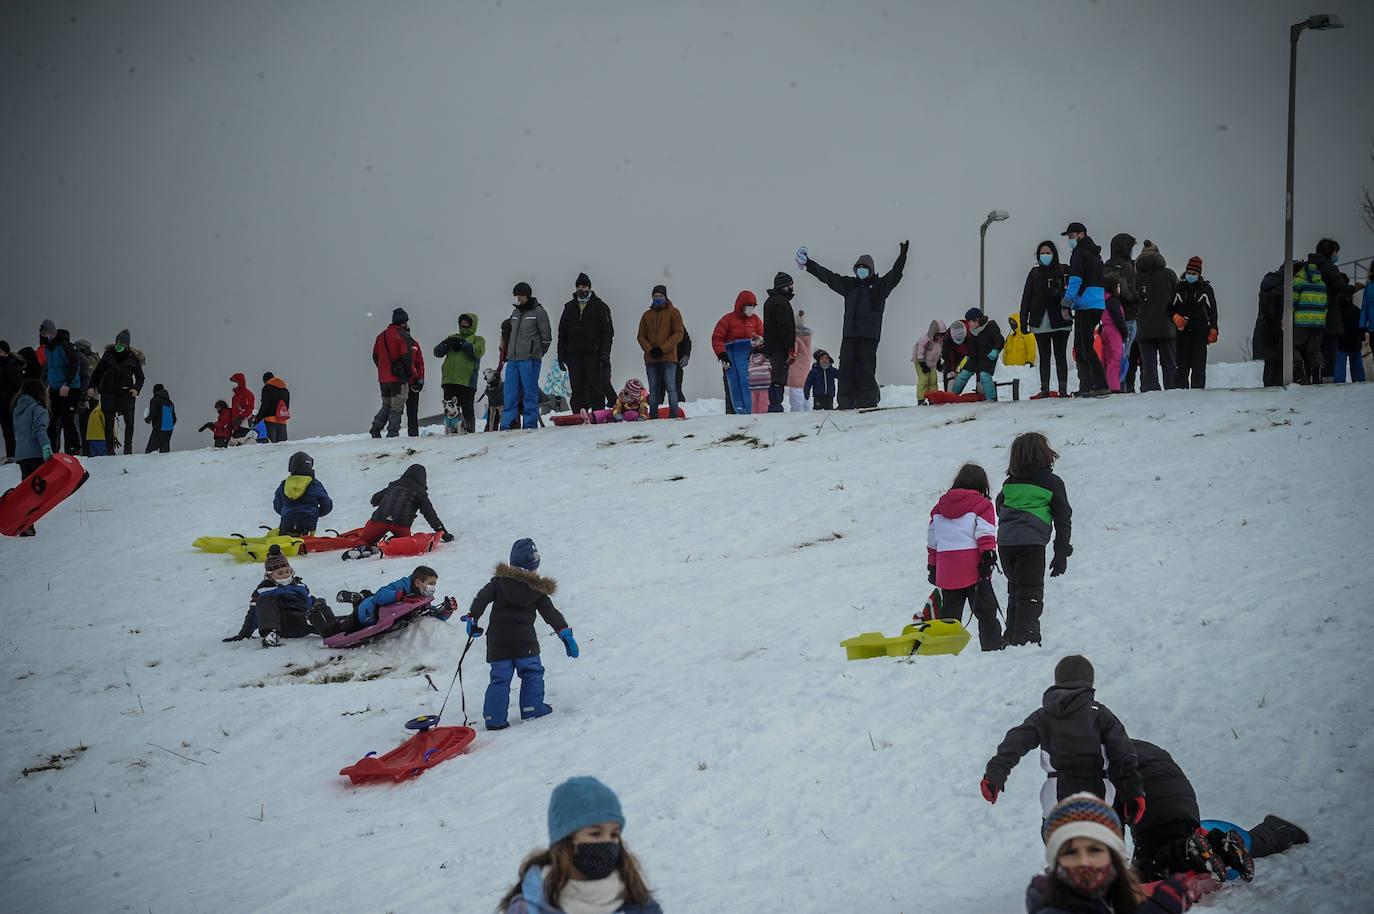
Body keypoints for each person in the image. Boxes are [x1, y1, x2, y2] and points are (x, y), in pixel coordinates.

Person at [1112, 738, 1301, 884]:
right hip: (1177, 791)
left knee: (1147, 872)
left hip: (1150, 799)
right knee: (1191, 844)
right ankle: (1224, 844)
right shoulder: (1110, 741)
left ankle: (1189, 850)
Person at [981, 655, 1145, 818]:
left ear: (1057, 683)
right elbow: (1123, 753)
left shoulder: (1043, 716)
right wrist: (1133, 792)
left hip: (1056, 798)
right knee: (1098, 840)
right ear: (1091, 683)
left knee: (1058, 839)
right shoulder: (1100, 715)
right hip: (1099, 799)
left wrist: (995, 775)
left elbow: (1015, 742)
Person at [498, 776, 662, 914]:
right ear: (566, 840)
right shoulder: (531, 905)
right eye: (595, 833)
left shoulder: (636, 900)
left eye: (614, 834)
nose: (607, 842)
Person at [463, 538, 577, 731]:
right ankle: (532, 707)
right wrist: (564, 632)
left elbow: (481, 598)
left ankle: (493, 717)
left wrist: (472, 617)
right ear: (533, 567)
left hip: (498, 642)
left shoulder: (498, 583)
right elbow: (551, 613)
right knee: (532, 673)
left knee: (499, 679)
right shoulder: (537, 590)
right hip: (526, 642)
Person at [1026, 792, 1197, 914]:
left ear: (1113, 857)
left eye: (1095, 849)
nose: (1084, 861)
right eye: (1071, 852)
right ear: (1056, 862)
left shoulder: (1117, 900)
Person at [797, 240, 909, 408]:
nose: (861, 271)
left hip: (869, 337)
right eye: (859, 268)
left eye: (865, 268)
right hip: (849, 335)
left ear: (870, 270)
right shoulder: (850, 285)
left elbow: (895, 275)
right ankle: (846, 402)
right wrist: (809, 264)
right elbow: (829, 277)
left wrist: (902, 257)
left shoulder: (879, 287)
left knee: (866, 369)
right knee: (846, 369)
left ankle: (867, 401)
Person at [996, 432, 1072, 647]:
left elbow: (999, 507)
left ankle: (1011, 635)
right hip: (1031, 543)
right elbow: (1063, 518)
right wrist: (1061, 552)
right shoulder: (1052, 483)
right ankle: (1026, 637)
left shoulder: (1009, 483)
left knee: (1016, 588)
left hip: (1006, 543)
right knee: (1030, 592)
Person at [927, 462, 1003, 651]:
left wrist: (933, 566)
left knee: (950, 613)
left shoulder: (939, 508)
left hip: (947, 569)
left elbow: (933, 540)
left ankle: (946, 649)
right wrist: (988, 554)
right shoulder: (982, 505)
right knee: (986, 611)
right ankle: (992, 647)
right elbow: (985, 532)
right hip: (973, 567)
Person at [222, 545, 335, 646]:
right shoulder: (263, 590)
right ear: (270, 576)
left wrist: (318, 605)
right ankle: (272, 635)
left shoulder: (299, 585)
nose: (285, 575)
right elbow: (254, 614)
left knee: (319, 603)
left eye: (287, 571)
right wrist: (244, 634)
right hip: (281, 624)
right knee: (266, 600)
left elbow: (309, 602)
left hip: (302, 620)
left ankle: (335, 630)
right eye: (280, 573)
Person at [1020, 241, 1074, 398]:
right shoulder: (1034, 273)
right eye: (1042, 253)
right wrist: (1024, 319)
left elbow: (1073, 291)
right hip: (1040, 321)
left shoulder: (1064, 270)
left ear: (1054, 253)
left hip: (1061, 320)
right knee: (1044, 355)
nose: (1045, 256)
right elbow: (1026, 297)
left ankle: (1062, 389)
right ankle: (1044, 389)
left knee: (1060, 355)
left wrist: (1059, 293)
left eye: (1048, 252)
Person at [1060, 222, 1108, 397]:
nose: (1070, 240)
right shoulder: (1096, 255)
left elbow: (1076, 280)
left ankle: (1098, 385)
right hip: (1096, 303)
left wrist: (1066, 300)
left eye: (1071, 236)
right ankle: (1088, 386)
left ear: (1081, 234)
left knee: (1084, 348)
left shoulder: (1079, 253)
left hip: (1085, 304)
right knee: (1082, 347)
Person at [558, 272, 615, 415]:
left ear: (589, 288)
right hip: (574, 355)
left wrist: (604, 355)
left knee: (595, 387)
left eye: (583, 286)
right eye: (578, 287)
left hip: (593, 354)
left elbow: (607, 333)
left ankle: (597, 414)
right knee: (577, 388)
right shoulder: (569, 307)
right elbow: (562, 333)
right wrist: (561, 355)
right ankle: (578, 415)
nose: (580, 289)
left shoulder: (600, 306)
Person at [358, 463, 452, 546]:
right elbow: (430, 515)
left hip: (379, 521)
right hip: (401, 525)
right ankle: (394, 541)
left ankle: (362, 546)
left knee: (364, 540)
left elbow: (374, 499)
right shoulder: (420, 492)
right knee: (405, 542)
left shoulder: (393, 486)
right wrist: (442, 532)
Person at [503, 283, 553, 431]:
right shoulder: (515, 313)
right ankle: (508, 425)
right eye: (516, 295)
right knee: (510, 393)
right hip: (513, 360)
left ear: (527, 295)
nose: (517, 298)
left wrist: (536, 352)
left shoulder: (539, 312)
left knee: (530, 393)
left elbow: (546, 337)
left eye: (520, 295)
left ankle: (530, 425)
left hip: (529, 360)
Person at [336, 565, 441, 635]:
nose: (432, 587)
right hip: (364, 614)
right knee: (334, 630)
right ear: (418, 582)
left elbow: (426, 611)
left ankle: (363, 596)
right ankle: (320, 607)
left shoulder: (421, 592)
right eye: (430, 584)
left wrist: (444, 611)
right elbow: (379, 596)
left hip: (380, 610)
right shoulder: (402, 586)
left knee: (373, 600)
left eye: (434, 584)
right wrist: (402, 595)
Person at [87, 330, 145, 455]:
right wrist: (91, 386)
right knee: (108, 422)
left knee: (129, 421)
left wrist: (136, 389)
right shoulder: (108, 355)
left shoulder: (132, 358)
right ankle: (110, 450)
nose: (119, 345)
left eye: (122, 343)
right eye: (117, 342)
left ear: (127, 345)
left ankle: (128, 449)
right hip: (109, 393)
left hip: (126, 393)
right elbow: (98, 372)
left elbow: (140, 377)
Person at [1133, 241, 1179, 392]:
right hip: (1167, 325)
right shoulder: (1169, 274)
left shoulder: (1136, 276)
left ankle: (1150, 390)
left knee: (1148, 365)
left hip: (1144, 327)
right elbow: (1178, 299)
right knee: (1169, 363)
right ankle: (1172, 389)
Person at [1168, 256, 1218, 389]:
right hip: (1182, 332)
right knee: (1182, 366)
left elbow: (1213, 311)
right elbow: (1168, 309)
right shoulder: (1178, 288)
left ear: (1199, 274)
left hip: (1200, 332)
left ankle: (1198, 393)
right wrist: (1176, 318)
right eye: (1189, 273)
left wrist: (1214, 329)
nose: (1191, 275)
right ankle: (1180, 392)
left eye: (1194, 274)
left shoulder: (1206, 289)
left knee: (1199, 366)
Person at [10, 379, 53, 534]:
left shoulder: (18, 409)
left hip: (21, 455)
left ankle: (24, 523)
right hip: (36, 454)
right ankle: (28, 523)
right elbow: (39, 430)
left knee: (27, 489)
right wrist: (46, 448)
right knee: (37, 491)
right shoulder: (38, 408)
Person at [711, 291, 764, 414]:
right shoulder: (728, 320)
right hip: (731, 363)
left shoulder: (756, 320)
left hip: (752, 364)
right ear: (741, 305)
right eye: (749, 305)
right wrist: (722, 354)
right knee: (732, 389)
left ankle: (754, 413)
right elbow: (717, 338)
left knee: (752, 389)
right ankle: (732, 415)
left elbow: (762, 336)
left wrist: (760, 342)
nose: (751, 308)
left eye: (753, 306)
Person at [636, 284, 684, 420]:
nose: (657, 298)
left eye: (660, 296)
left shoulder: (674, 313)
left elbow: (678, 334)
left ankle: (674, 416)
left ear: (665, 297)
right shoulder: (646, 315)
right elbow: (640, 336)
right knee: (653, 389)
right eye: (655, 296)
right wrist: (650, 349)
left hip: (668, 358)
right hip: (651, 359)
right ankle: (653, 417)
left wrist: (662, 349)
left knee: (671, 387)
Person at [1309, 239, 1354, 383]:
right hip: (1329, 316)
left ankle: (1315, 378)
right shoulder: (1329, 267)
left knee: (1314, 350)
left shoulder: (1308, 267)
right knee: (1329, 352)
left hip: (1311, 316)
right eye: (1335, 252)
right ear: (1329, 252)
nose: (1336, 255)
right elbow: (1342, 288)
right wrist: (1356, 288)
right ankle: (1328, 382)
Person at [434, 313, 486, 434]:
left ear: (473, 324)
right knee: (449, 409)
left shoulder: (478, 339)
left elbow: (478, 351)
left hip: (466, 381)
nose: (463, 323)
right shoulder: (452, 337)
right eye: (461, 321)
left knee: (467, 408)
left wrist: (463, 344)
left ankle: (470, 432)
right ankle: (450, 433)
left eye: (466, 322)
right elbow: (437, 352)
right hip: (449, 380)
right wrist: (446, 343)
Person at [370, 308, 415, 438]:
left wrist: (383, 369)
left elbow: (375, 356)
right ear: (404, 322)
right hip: (398, 379)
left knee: (387, 404)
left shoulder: (381, 336)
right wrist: (409, 374)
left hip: (383, 379)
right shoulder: (403, 335)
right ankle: (393, 434)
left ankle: (375, 428)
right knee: (397, 407)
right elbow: (407, 357)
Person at [1104, 233, 1140, 392]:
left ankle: (1113, 386)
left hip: (1109, 317)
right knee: (1123, 357)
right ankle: (1121, 389)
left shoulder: (1106, 266)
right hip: (1127, 316)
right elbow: (1128, 292)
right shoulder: (1126, 266)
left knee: (1111, 357)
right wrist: (1139, 296)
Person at [41, 327, 82, 454]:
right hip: (55, 388)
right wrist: (49, 384)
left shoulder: (66, 347)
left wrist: (67, 383)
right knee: (52, 420)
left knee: (67, 418)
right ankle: (52, 449)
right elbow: (50, 369)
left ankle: (74, 449)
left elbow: (74, 365)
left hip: (70, 388)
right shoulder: (49, 350)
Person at [948, 309, 1004, 400]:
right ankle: (952, 396)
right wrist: (963, 364)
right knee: (963, 375)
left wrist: (995, 351)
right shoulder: (972, 331)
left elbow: (1000, 340)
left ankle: (991, 398)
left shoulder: (991, 328)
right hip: (974, 359)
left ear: (977, 320)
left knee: (984, 375)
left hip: (987, 358)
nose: (968, 324)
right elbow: (970, 351)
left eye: (970, 322)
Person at [762, 271, 798, 413]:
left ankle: (774, 405)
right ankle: (775, 406)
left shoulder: (769, 301)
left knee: (775, 377)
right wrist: (790, 347)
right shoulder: (781, 302)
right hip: (780, 348)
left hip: (771, 347)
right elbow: (786, 327)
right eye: (790, 285)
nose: (792, 287)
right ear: (784, 286)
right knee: (779, 378)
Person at [274, 451, 333, 536]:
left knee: (289, 543)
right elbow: (327, 504)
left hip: (287, 523)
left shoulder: (284, 484)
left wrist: (286, 512)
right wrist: (315, 513)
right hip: (308, 522)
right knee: (306, 543)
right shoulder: (314, 484)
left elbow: (277, 505)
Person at [1291, 255, 1329, 384]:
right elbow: (1325, 306)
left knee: (1292, 346)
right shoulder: (1322, 284)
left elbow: (1292, 303)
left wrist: (1287, 318)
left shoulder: (1297, 281)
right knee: (1315, 350)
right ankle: (1317, 377)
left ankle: (1301, 374)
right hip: (1318, 323)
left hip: (1301, 322)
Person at [1251, 261, 1290, 387]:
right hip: (1275, 330)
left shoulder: (1269, 283)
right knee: (1276, 365)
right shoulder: (1283, 288)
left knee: (1271, 364)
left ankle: (1269, 389)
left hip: (1266, 329)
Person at [1334, 274, 1366, 383]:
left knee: (1339, 374)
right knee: (1358, 374)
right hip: (1354, 343)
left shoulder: (1334, 310)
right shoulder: (1356, 310)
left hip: (1340, 344)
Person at [1100, 274, 1128, 393]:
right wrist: (1124, 332)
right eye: (1118, 286)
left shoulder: (1103, 298)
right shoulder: (1113, 300)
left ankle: (1103, 384)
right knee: (1114, 359)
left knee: (1105, 359)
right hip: (1113, 331)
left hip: (1104, 329)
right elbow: (1118, 317)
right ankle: (1114, 387)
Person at [0, 340, 26, 462]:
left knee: (15, 430)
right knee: (7, 430)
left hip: (11, 403)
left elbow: (17, 385)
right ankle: (11, 454)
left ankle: (17, 455)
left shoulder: (13, 365)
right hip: (3, 403)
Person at [786, 310, 813, 411]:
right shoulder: (807, 339)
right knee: (805, 395)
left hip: (795, 371)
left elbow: (792, 351)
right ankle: (807, 412)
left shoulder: (795, 339)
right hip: (805, 372)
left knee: (795, 396)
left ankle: (796, 414)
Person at [254, 371, 290, 442]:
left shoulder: (266, 388)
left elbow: (265, 405)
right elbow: (287, 406)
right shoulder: (285, 390)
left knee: (270, 445)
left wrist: (258, 418)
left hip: (270, 421)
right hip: (282, 420)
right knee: (282, 445)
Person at [142, 383, 176, 453]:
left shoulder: (154, 400)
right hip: (169, 429)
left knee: (150, 451)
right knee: (164, 451)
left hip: (159, 428)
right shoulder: (170, 402)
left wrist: (147, 419)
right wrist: (169, 425)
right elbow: (174, 418)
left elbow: (153, 413)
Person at [404, 336, 426, 437]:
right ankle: (393, 435)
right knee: (395, 410)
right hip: (399, 382)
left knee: (412, 411)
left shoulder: (414, 344)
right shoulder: (397, 343)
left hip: (413, 383)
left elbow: (419, 363)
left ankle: (413, 435)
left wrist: (421, 378)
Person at [227, 371, 255, 439]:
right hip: (236, 425)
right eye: (232, 382)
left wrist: (240, 417)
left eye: (235, 381)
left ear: (240, 382)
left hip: (244, 425)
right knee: (235, 444)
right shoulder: (234, 397)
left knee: (236, 444)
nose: (233, 384)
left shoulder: (247, 394)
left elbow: (249, 409)